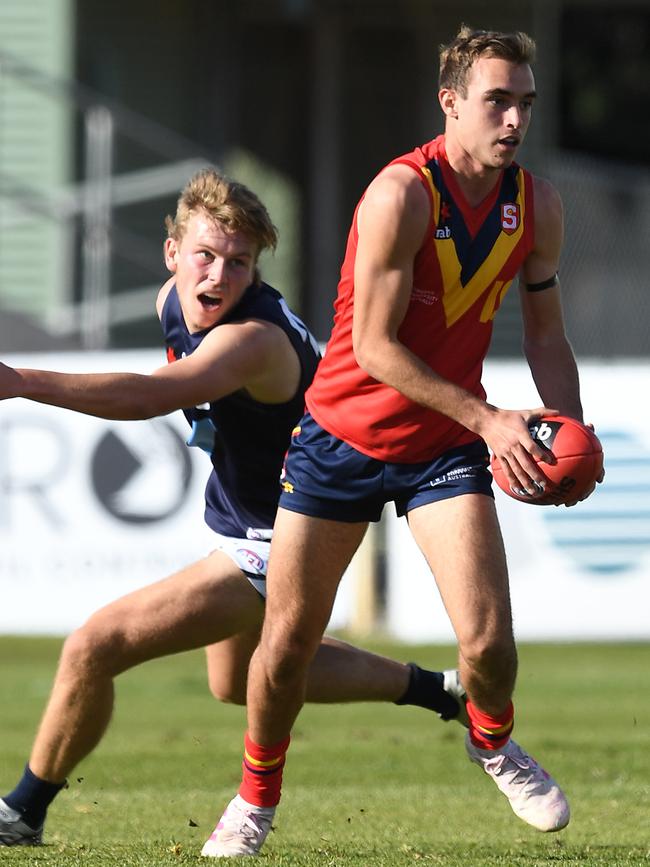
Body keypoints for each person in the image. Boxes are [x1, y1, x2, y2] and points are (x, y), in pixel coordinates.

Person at [208, 26, 605, 858]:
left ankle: (490, 739)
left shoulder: (537, 204)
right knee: (284, 646)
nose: (514, 120)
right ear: (450, 102)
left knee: (489, 640)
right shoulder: (400, 194)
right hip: (340, 435)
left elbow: (544, 333)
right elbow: (380, 349)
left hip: (442, 447)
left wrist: (568, 428)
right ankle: (253, 798)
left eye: (525, 103)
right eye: (497, 100)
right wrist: (491, 419)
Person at [0, 170, 467, 848]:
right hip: (250, 515)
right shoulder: (176, 302)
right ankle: (437, 689)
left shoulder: (252, 338)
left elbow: (153, 396)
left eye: (239, 262)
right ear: (172, 254)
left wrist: (18, 380)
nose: (220, 274)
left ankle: (21, 810)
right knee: (239, 679)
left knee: (94, 645)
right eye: (206, 255)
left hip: (291, 529)